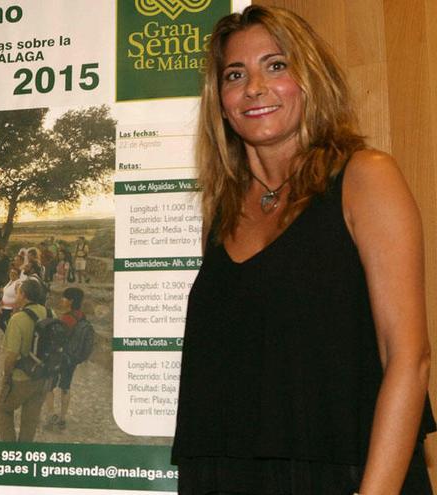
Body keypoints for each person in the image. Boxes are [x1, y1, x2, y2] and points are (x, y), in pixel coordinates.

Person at [171, 6, 433, 495]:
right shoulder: (221, 212)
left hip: (346, 476)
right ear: (220, 100)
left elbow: (409, 356)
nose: (254, 87)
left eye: (276, 65)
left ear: (311, 79)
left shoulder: (364, 178)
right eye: (235, 74)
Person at [0, 280, 49, 442]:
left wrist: (6, 377)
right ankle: (24, 452)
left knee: (3, 409)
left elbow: (11, 355)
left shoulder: (18, 319)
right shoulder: (49, 312)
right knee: (30, 420)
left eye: (18, 292)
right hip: (43, 376)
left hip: (22, 377)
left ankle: (10, 451)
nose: (16, 295)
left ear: (24, 295)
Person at [43, 287, 85, 432]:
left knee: (49, 386)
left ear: (71, 301)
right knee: (66, 387)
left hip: (59, 357)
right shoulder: (81, 316)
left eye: (64, 298)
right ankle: (63, 418)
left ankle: (51, 414)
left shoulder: (66, 319)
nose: (62, 300)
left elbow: (57, 339)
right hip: (72, 359)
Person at [0, 267, 23, 332]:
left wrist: (15, 310)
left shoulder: (18, 283)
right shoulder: (10, 281)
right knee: (1, 322)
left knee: (6, 323)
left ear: (18, 275)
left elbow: (18, 297)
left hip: (10, 308)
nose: (12, 274)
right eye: (11, 273)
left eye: (14, 273)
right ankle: (8, 335)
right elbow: (6, 290)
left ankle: (9, 335)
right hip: (4, 307)